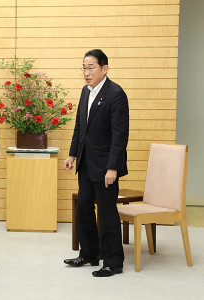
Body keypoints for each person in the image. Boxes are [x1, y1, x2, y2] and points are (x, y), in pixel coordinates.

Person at [63, 49, 129, 277]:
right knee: (83, 209)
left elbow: (120, 135)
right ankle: (89, 253)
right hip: (86, 162)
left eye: (91, 68)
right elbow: (80, 127)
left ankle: (113, 261)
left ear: (104, 69)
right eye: (83, 67)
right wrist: (72, 154)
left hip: (105, 166)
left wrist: (113, 167)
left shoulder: (116, 94)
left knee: (107, 212)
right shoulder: (85, 92)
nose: (86, 72)